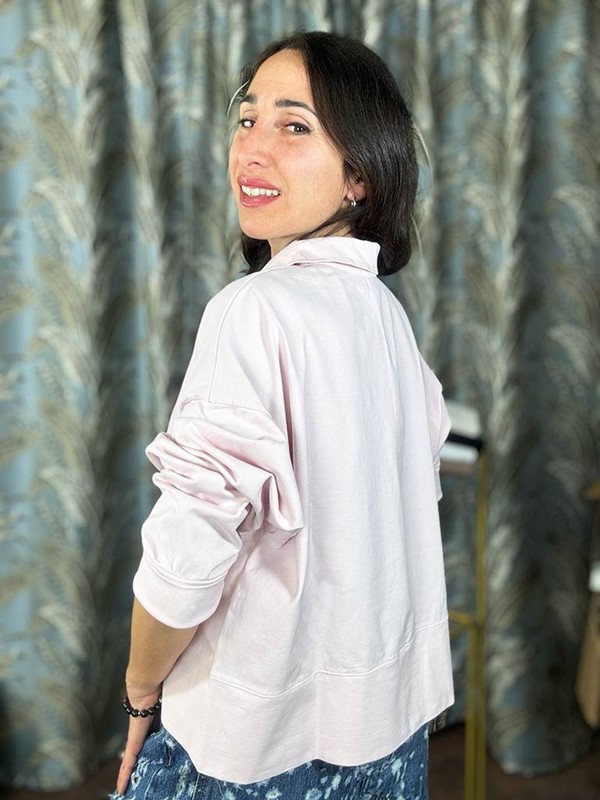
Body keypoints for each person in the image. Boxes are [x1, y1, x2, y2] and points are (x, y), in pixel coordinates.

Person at [111, 30, 453, 800]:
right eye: (247, 118)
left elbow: (186, 554)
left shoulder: (255, 311)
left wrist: (140, 689)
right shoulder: (385, 317)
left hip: (252, 751)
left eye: (294, 125)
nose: (253, 148)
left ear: (360, 176)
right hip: (389, 745)